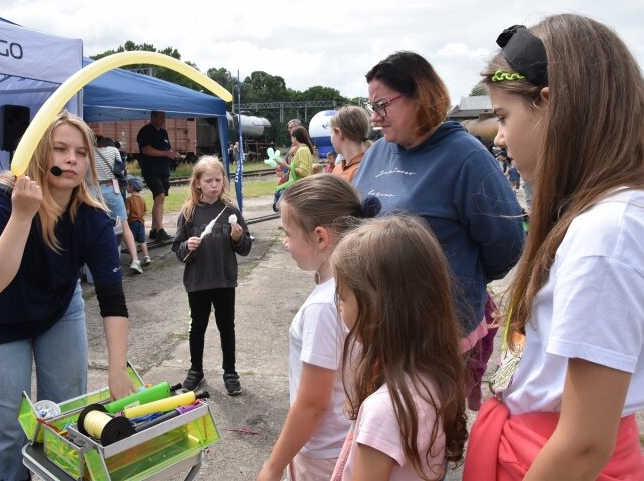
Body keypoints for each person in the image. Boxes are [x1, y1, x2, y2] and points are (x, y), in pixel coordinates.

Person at [464, 15, 644, 480]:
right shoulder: (607, 221)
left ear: (550, 105)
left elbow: (582, 444)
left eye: (504, 116)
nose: (500, 137)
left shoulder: (609, 237)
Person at [0, 110, 136, 480]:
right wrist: (22, 216)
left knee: (62, 418)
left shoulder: (92, 217)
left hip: (60, 310)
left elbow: (112, 297)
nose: (71, 159)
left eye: (80, 152)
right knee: (10, 431)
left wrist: (117, 368)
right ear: (40, 153)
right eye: (60, 149)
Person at [353, 51, 525, 408]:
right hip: (380, 325)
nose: (374, 117)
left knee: (424, 441)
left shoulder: (465, 157)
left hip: (438, 334)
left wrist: (459, 279)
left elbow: (507, 242)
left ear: (421, 96)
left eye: (382, 105)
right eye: (372, 105)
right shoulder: (378, 153)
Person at [257, 174, 377, 481]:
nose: (285, 242)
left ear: (320, 237)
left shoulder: (323, 306)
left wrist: (273, 466)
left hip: (323, 454)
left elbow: (312, 403)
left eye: (288, 233)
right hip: (344, 439)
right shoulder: (355, 283)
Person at [330, 215, 468, 481]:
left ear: (378, 309)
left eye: (343, 296)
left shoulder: (385, 410)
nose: (338, 305)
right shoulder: (433, 376)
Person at [172, 156, 252, 396]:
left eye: (218, 180)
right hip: (197, 282)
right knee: (197, 327)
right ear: (197, 183)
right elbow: (177, 249)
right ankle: (196, 370)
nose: (214, 185)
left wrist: (237, 238)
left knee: (227, 327)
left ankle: (230, 371)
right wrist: (188, 246)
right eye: (209, 181)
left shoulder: (231, 211)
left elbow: (246, 247)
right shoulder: (188, 213)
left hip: (224, 280)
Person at [94, 136, 144, 274]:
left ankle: (99, 261)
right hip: (112, 189)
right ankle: (135, 260)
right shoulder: (113, 150)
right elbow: (121, 171)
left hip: (93, 191)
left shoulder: (87, 152)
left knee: (95, 226)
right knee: (124, 226)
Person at [137, 110, 179, 241]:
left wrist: (172, 153)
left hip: (163, 170)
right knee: (160, 195)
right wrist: (165, 154)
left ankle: (154, 230)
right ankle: (160, 230)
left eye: (164, 117)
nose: (163, 120)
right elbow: (146, 149)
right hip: (151, 169)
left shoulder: (163, 132)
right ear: (153, 117)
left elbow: (167, 149)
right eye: (161, 117)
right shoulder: (145, 131)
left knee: (159, 198)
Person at [330, 106, 371, 182]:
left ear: (339, 133)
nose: (331, 138)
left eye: (331, 132)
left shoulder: (359, 172)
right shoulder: (370, 166)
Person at [125, 176, 151, 266]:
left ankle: (133, 259)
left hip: (132, 223)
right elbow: (144, 211)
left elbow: (127, 213)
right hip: (141, 223)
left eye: (127, 185)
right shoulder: (142, 199)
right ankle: (146, 257)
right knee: (143, 241)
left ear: (131, 187)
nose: (126, 187)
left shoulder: (129, 200)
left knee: (131, 241)